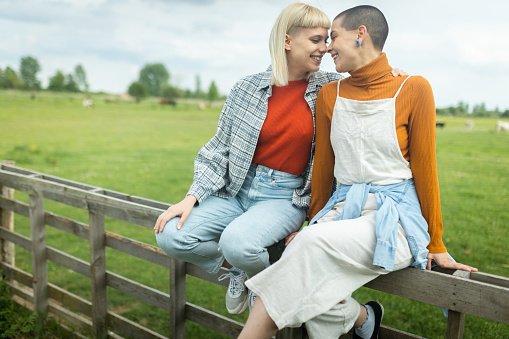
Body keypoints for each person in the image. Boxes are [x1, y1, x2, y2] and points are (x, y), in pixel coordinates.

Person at [240, 5, 477, 339]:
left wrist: (435, 243)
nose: (327, 46)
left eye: (333, 36)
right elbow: (323, 169)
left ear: (360, 34)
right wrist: (313, 223)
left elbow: (427, 172)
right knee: (303, 263)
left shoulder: (413, 88)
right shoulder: (330, 93)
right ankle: (363, 319)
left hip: (392, 221)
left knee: (306, 257)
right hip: (342, 213)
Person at [154, 3, 340, 315]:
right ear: (287, 41)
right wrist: (192, 197)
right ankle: (246, 272)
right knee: (171, 235)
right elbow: (219, 149)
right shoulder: (246, 88)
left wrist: (391, 73)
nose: (325, 48)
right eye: (316, 40)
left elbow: (370, 83)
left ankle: (258, 275)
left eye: (327, 40)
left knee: (237, 243)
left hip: (285, 197)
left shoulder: (331, 87)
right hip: (237, 190)